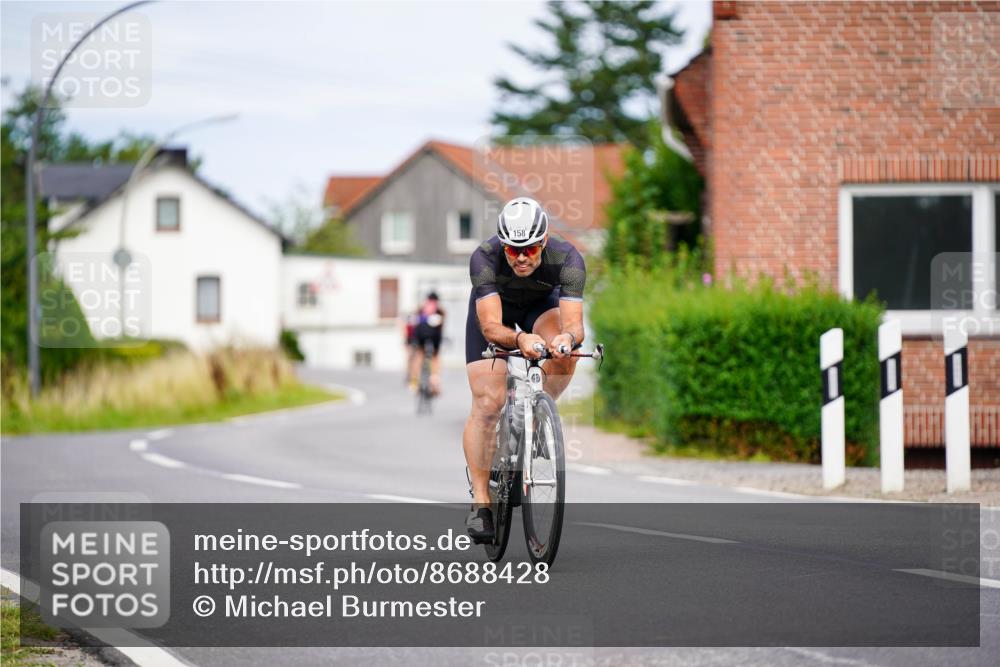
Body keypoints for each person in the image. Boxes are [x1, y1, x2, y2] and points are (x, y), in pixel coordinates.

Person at [462, 197, 586, 542]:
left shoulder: (569, 259)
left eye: (530, 250)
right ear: (502, 244)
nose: (520, 258)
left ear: (543, 242)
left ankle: (537, 413)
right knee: (489, 402)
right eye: (512, 249)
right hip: (497, 315)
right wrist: (520, 339)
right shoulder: (484, 258)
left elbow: (575, 327)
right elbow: (489, 326)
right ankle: (481, 503)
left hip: (541, 308)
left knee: (566, 354)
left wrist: (564, 339)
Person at [408, 292, 445, 395]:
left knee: (419, 355)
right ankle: (435, 380)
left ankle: (414, 382)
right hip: (434, 336)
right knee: (435, 357)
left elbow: (413, 320)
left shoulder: (422, 306)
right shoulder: (440, 309)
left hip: (420, 335)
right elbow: (442, 325)